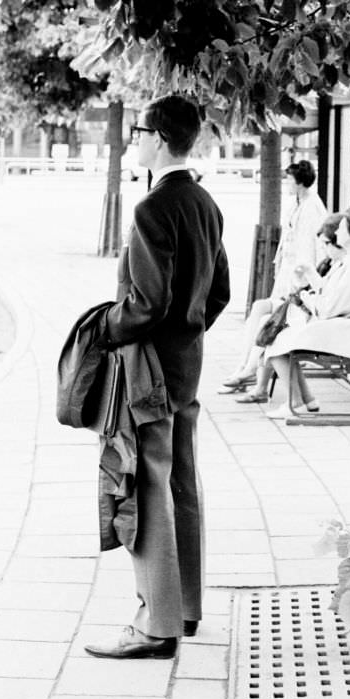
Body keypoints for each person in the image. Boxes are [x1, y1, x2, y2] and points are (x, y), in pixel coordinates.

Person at [84, 95, 230, 660]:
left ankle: (155, 627)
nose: (133, 140)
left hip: (148, 373)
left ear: (160, 138)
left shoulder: (152, 208)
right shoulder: (204, 203)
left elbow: (145, 305)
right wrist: (188, 333)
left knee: (148, 489)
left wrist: (104, 328)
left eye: (139, 131)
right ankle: (186, 609)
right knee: (183, 484)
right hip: (185, 367)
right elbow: (216, 292)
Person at [264, 205, 350, 419]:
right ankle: (306, 400)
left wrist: (306, 298)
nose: (336, 234)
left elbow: (328, 308)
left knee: (276, 342)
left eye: (341, 230)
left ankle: (297, 402)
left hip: (342, 331)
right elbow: (334, 298)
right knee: (281, 338)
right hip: (345, 327)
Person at [219, 159, 326, 392]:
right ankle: (245, 368)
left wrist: (299, 284)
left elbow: (308, 249)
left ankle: (249, 373)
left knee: (268, 320)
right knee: (260, 313)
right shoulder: (297, 204)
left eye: (290, 180)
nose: (287, 184)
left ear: (299, 183)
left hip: (299, 287)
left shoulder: (311, 208)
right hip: (287, 279)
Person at [235, 212, 346, 404]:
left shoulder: (343, 265)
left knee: (276, 336)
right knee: (270, 326)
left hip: (321, 323)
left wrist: (306, 293)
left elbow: (326, 303)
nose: (324, 249)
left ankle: (288, 396)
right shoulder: (337, 263)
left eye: (326, 244)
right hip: (314, 316)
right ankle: (304, 398)